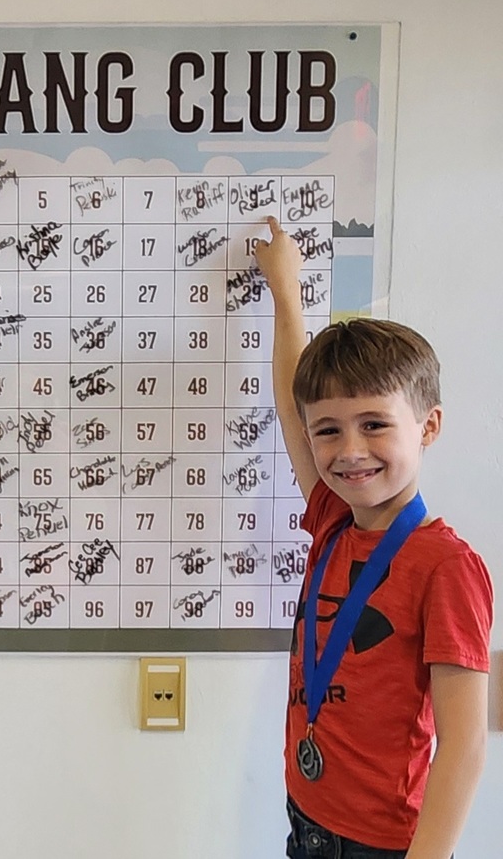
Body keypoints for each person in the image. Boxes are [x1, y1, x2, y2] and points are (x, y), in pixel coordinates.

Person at [254, 216, 493, 859]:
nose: (349, 450)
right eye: (328, 430)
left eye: (374, 424)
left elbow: (465, 744)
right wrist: (285, 290)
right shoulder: (333, 520)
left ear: (429, 426)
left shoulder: (446, 566)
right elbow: (290, 401)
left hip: (384, 845)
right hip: (306, 818)